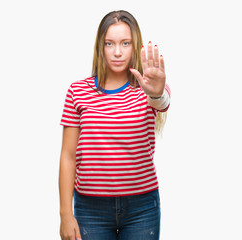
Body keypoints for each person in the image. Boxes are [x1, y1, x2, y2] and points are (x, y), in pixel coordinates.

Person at [59, 10, 171, 240]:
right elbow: (68, 156)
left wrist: (157, 92)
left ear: (135, 45)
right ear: (100, 46)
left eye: (125, 43)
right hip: (91, 209)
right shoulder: (77, 92)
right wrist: (65, 214)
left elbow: (162, 101)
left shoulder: (147, 87)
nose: (117, 52)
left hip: (142, 208)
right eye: (110, 43)